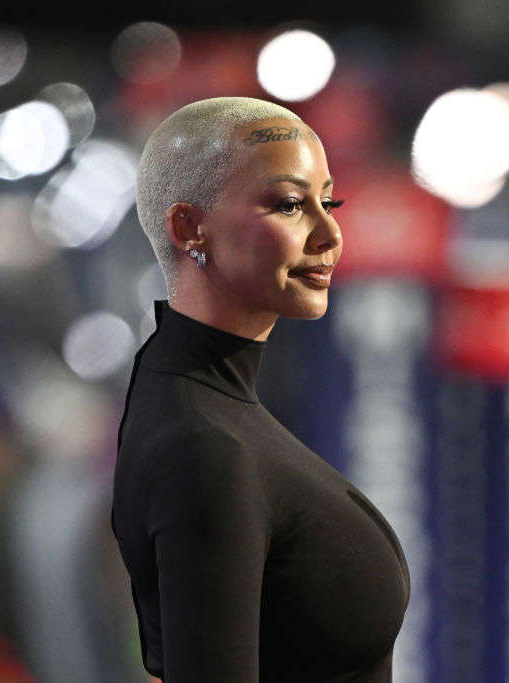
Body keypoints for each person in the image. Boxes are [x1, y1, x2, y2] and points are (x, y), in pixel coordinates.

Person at [112, 96, 410, 682]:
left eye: (330, 202)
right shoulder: (205, 446)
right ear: (189, 228)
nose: (330, 234)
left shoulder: (207, 409)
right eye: (291, 205)